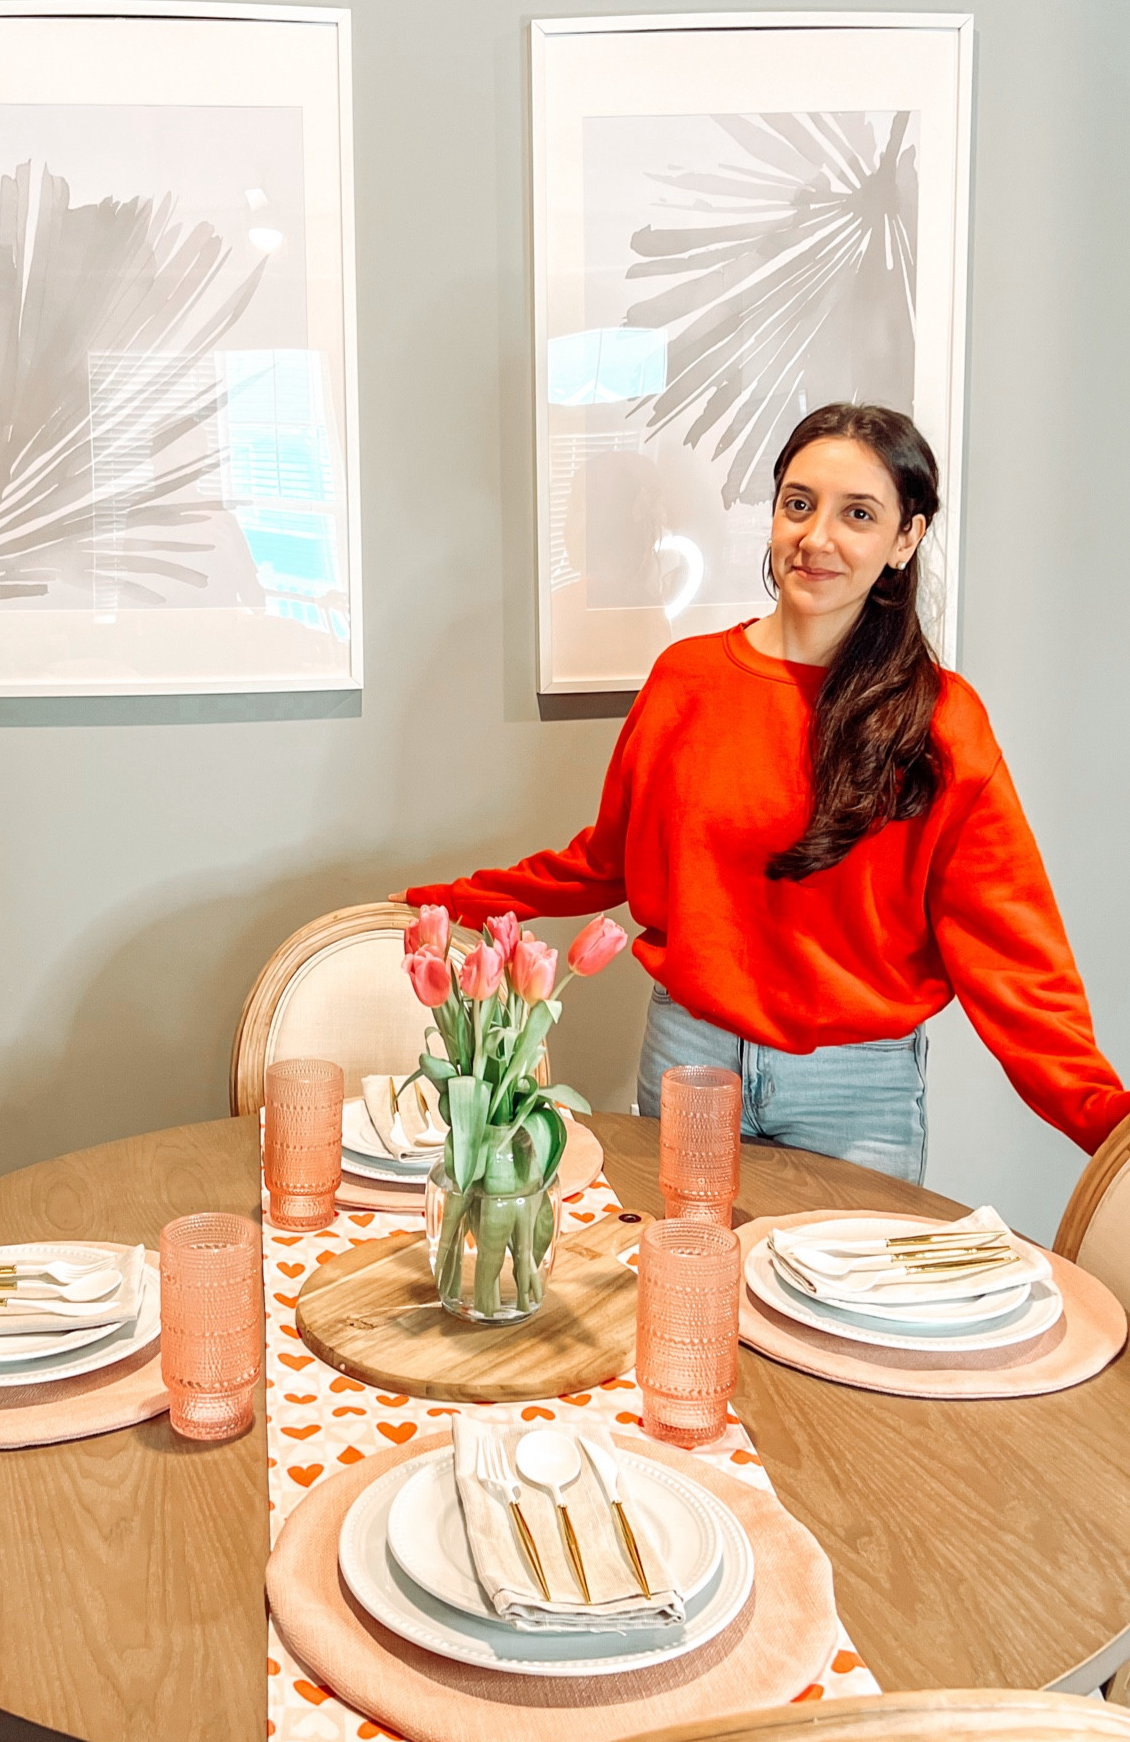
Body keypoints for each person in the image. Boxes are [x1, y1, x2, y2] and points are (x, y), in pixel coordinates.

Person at [398, 402, 1129, 1183]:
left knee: (844, 1306)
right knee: (681, 1300)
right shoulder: (688, 680)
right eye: (797, 504)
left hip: (858, 1092)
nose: (816, 539)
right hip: (691, 1061)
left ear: (905, 538)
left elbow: (1009, 948)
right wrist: (443, 903)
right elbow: (605, 858)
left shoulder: (942, 720)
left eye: (857, 514)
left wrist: (1104, 1119)